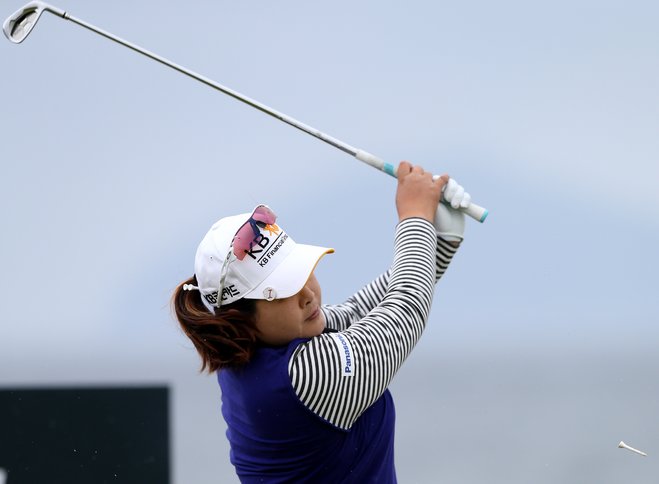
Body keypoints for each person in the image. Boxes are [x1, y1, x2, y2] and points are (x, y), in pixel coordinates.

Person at [173, 161, 471, 483]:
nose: (308, 295)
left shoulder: (253, 350)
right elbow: (405, 308)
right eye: (284, 290)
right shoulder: (306, 375)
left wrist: (438, 239)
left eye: (302, 273)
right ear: (240, 318)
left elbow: (358, 310)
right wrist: (415, 217)